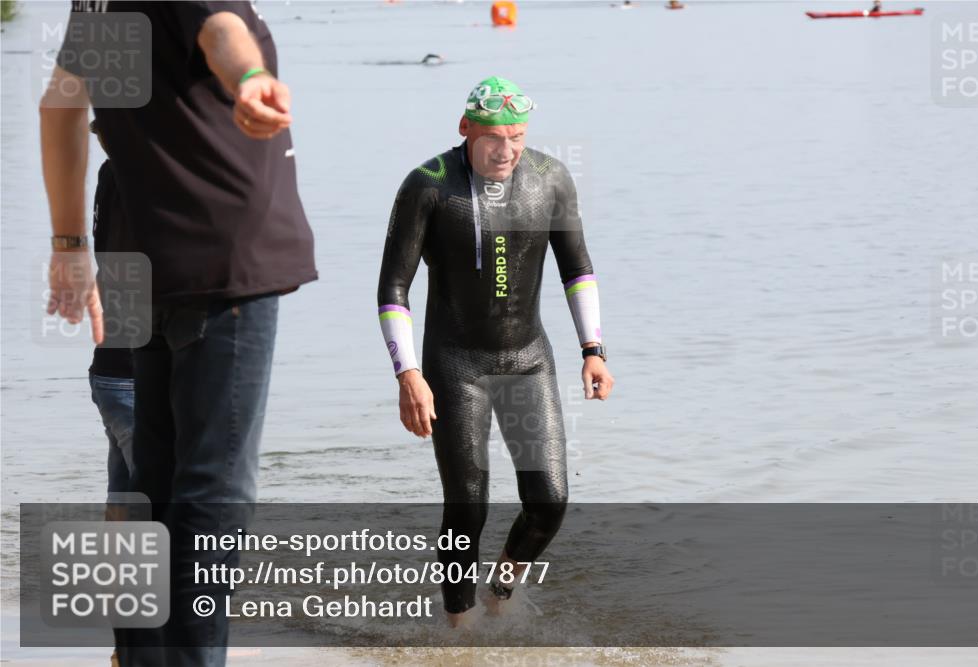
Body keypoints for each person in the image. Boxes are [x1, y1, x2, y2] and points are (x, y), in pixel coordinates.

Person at [41, 2, 316, 665]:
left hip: (152, 263)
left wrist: (69, 241)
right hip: (227, 261)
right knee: (212, 490)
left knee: (153, 486)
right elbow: (219, 31)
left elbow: (61, 108)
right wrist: (250, 73)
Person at [377, 76, 614, 627]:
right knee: (468, 506)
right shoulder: (428, 185)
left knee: (549, 501)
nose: (506, 150)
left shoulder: (551, 178)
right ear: (465, 129)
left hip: (528, 359)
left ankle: (500, 589)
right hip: (456, 365)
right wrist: (408, 373)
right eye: (492, 138)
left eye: (517, 137)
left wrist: (593, 349)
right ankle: (456, 629)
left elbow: (576, 267)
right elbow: (393, 288)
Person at [88, 119, 135, 501]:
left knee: (125, 497)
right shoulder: (153, 185)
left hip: (108, 371)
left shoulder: (109, 177)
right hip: (140, 378)